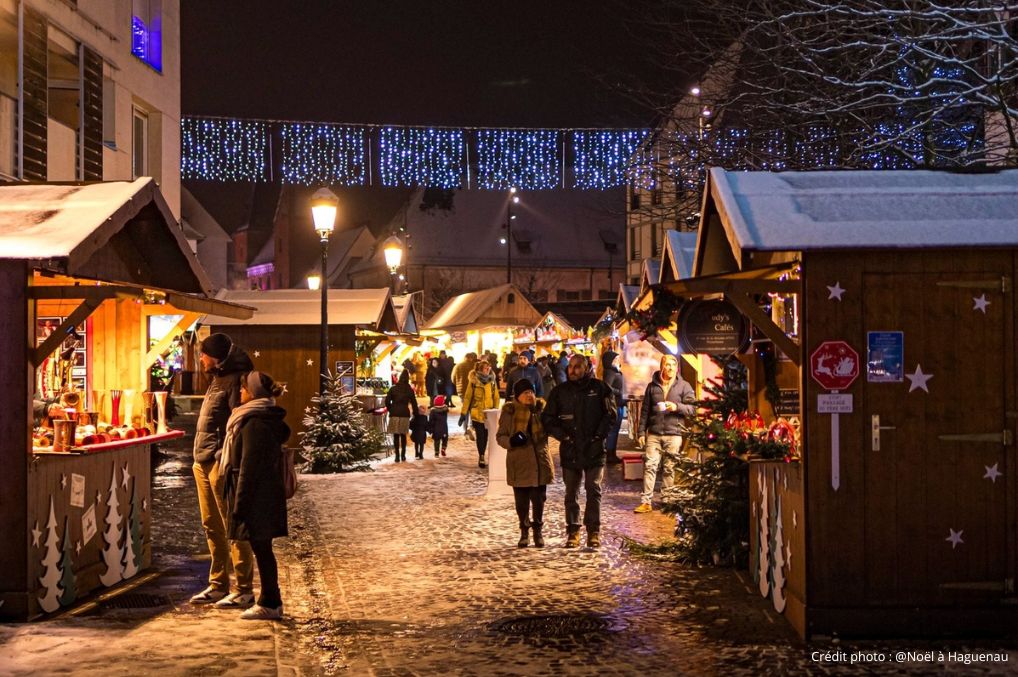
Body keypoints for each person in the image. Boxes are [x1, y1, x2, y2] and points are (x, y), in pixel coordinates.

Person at [189, 333, 256, 607]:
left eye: (203, 354)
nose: (201, 358)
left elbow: (236, 423)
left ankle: (243, 587)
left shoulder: (235, 381)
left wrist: (221, 456)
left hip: (219, 462)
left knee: (233, 524)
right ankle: (217, 583)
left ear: (215, 355)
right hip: (201, 460)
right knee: (211, 525)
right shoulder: (217, 378)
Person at [219, 371, 289, 620]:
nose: (240, 392)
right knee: (262, 547)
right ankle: (270, 600)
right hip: (263, 494)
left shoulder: (255, 421)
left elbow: (250, 465)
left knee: (262, 548)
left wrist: (239, 503)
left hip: (258, 495)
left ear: (253, 392)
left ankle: (271, 602)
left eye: (243, 388)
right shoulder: (259, 417)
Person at [542, 354, 617, 548]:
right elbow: (548, 418)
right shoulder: (560, 391)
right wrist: (563, 436)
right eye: (571, 367)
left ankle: (593, 531)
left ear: (586, 368)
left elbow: (610, 415)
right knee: (571, 493)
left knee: (593, 489)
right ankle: (573, 531)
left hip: (594, 449)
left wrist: (598, 436)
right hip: (571, 449)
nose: (573, 370)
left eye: (577, 367)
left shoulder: (600, 388)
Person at [634, 354, 697, 513]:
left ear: (677, 368)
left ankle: (667, 500)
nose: (670, 368)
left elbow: (693, 409)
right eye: (667, 365)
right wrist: (641, 432)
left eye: (673, 365)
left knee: (669, 468)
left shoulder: (684, 386)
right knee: (650, 466)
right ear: (662, 366)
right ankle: (646, 501)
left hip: (674, 433)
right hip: (654, 433)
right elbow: (645, 411)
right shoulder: (652, 386)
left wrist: (676, 407)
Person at [496, 379, 553, 548]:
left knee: (539, 499)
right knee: (521, 502)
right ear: (518, 396)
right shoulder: (510, 412)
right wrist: (512, 441)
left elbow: (551, 429)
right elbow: (500, 436)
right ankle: (524, 531)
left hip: (539, 461)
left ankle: (538, 531)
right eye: (525, 393)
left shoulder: (541, 410)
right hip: (519, 462)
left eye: (531, 392)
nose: (529, 395)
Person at [460, 359, 500, 468]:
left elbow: (496, 397)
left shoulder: (492, 381)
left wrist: (495, 411)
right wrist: (463, 413)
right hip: (477, 413)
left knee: (486, 436)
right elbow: (468, 398)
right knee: (480, 436)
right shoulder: (473, 382)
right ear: (480, 370)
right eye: (486, 368)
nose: (488, 370)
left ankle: (483, 454)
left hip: (489, 414)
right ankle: (481, 455)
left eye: (489, 368)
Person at [386, 370, 418, 463]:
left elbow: (387, 401)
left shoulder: (393, 388)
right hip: (404, 413)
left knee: (396, 435)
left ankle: (397, 456)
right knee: (403, 435)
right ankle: (403, 455)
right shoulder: (409, 390)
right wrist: (416, 414)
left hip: (394, 413)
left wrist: (391, 409)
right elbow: (414, 403)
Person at [601, 350, 626, 464]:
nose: (617, 361)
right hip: (614, 405)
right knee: (613, 430)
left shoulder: (614, 371)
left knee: (614, 430)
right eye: (615, 359)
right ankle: (611, 455)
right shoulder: (610, 372)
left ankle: (612, 453)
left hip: (618, 403)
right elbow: (606, 387)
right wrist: (619, 392)